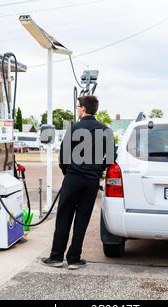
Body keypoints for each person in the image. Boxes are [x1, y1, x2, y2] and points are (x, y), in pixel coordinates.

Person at [41, 95, 115, 270]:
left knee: (63, 217)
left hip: (73, 179)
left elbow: (63, 158)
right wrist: (98, 170)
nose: (77, 109)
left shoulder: (74, 128)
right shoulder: (106, 130)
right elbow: (111, 157)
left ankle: (56, 257)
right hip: (91, 182)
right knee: (82, 219)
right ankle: (74, 259)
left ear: (83, 109)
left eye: (78, 106)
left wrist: (70, 172)